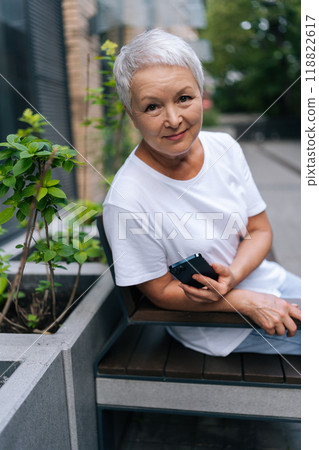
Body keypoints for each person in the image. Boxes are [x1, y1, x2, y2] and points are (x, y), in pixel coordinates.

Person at [103, 29, 301, 357]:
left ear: (201, 94)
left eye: (184, 98)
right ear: (131, 115)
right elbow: (162, 291)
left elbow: (259, 229)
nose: (174, 119)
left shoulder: (222, 146)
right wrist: (240, 300)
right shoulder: (127, 201)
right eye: (152, 106)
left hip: (265, 279)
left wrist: (232, 276)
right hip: (217, 326)